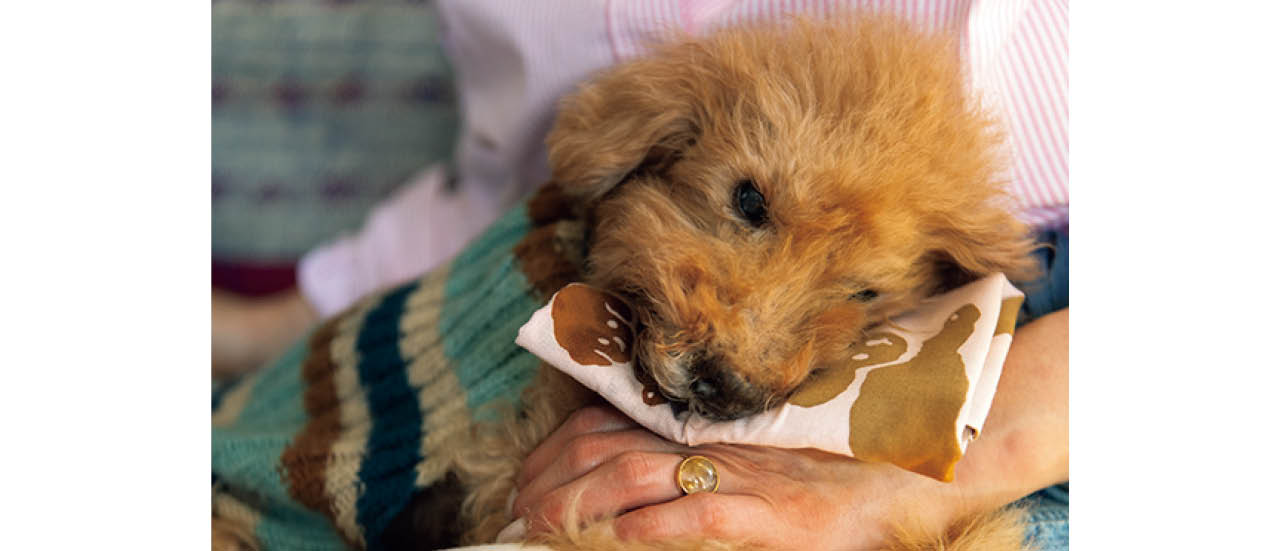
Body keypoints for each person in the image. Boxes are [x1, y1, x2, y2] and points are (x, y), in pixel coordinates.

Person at [212, 1, 1068, 548]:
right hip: (566, 262)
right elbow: (528, 165)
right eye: (750, 206)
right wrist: (254, 331)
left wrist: (903, 483)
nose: (746, 347)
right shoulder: (651, 134)